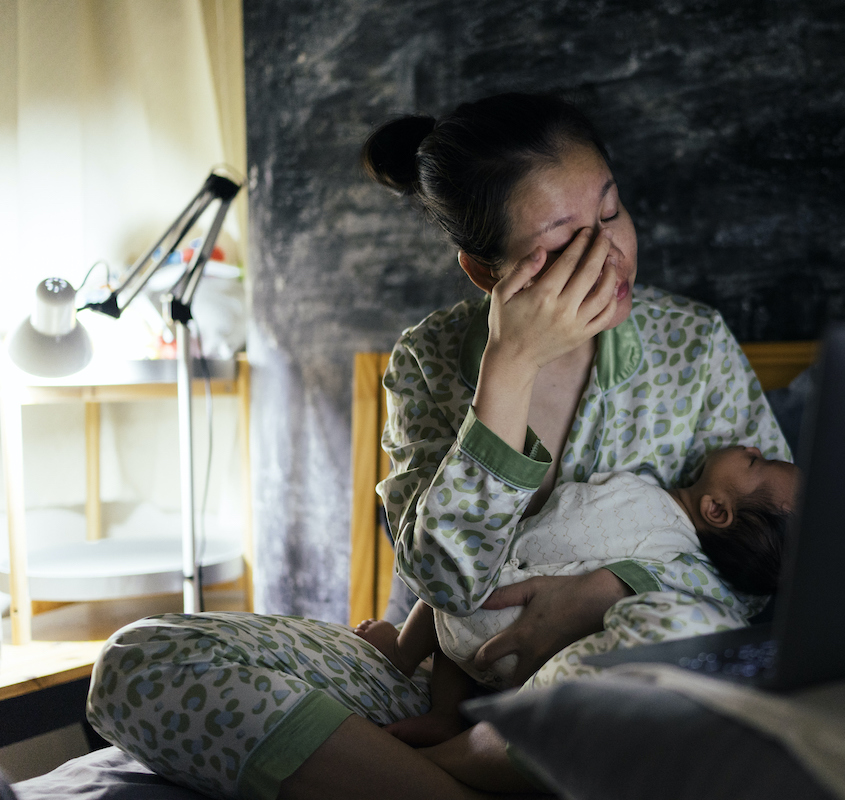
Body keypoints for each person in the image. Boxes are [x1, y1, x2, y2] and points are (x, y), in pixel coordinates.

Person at [86, 92, 789, 800]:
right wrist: (508, 373)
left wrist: (607, 591)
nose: (607, 255)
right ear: (486, 272)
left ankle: (427, 774)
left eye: (611, 213)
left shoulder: (693, 347)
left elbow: (770, 573)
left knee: (689, 645)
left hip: (617, 674)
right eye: (563, 242)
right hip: (444, 681)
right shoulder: (429, 360)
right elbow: (446, 581)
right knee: (139, 660)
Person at [355, 444, 801, 745]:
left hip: (490, 602)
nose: (755, 448)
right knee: (471, 587)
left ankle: (401, 650)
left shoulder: (649, 508)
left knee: (459, 567)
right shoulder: (678, 559)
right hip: (517, 663)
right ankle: (449, 714)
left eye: (756, 464)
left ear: (717, 510)